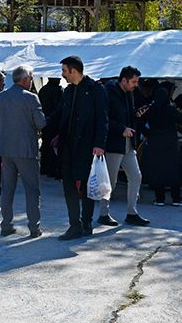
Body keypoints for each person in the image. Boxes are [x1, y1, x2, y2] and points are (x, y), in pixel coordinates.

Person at [48, 56, 108, 240]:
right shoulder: (67, 91)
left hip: (87, 146)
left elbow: (102, 118)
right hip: (67, 147)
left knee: (87, 186)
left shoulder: (95, 89)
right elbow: (58, 115)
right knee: (68, 187)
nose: (62, 75)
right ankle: (74, 225)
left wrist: (99, 144)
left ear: (73, 71)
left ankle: (86, 222)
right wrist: (39, 123)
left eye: (64, 71)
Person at [0, 66, 48, 237]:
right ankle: (34, 227)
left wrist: (1, 143)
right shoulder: (32, 98)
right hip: (26, 150)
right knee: (32, 189)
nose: (32, 81)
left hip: (5, 149)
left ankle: (6, 225)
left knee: (7, 189)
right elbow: (41, 124)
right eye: (31, 78)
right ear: (25, 79)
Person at [98, 66, 150, 227]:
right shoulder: (108, 92)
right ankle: (103, 214)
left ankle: (131, 212)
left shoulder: (129, 93)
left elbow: (126, 116)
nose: (136, 85)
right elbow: (103, 118)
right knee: (111, 182)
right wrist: (122, 129)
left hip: (128, 143)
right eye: (134, 82)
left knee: (136, 176)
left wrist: (136, 115)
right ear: (124, 80)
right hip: (114, 144)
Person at [143, 81, 182, 206]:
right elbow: (181, 119)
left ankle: (159, 199)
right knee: (174, 170)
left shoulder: (150, 110)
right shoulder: (170, 109)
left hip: (155, 142)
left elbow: (142, 123)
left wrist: (148, 135)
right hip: (170, 142)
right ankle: (176, 198)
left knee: (158, 171)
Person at [37, 77, 62, 178]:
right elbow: (60, 108)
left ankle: (44, 167)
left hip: (44, 121)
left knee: (46, 144)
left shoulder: (43, 90)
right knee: (54, 146)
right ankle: (52, 169)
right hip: (55, 122)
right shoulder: (58, 91)